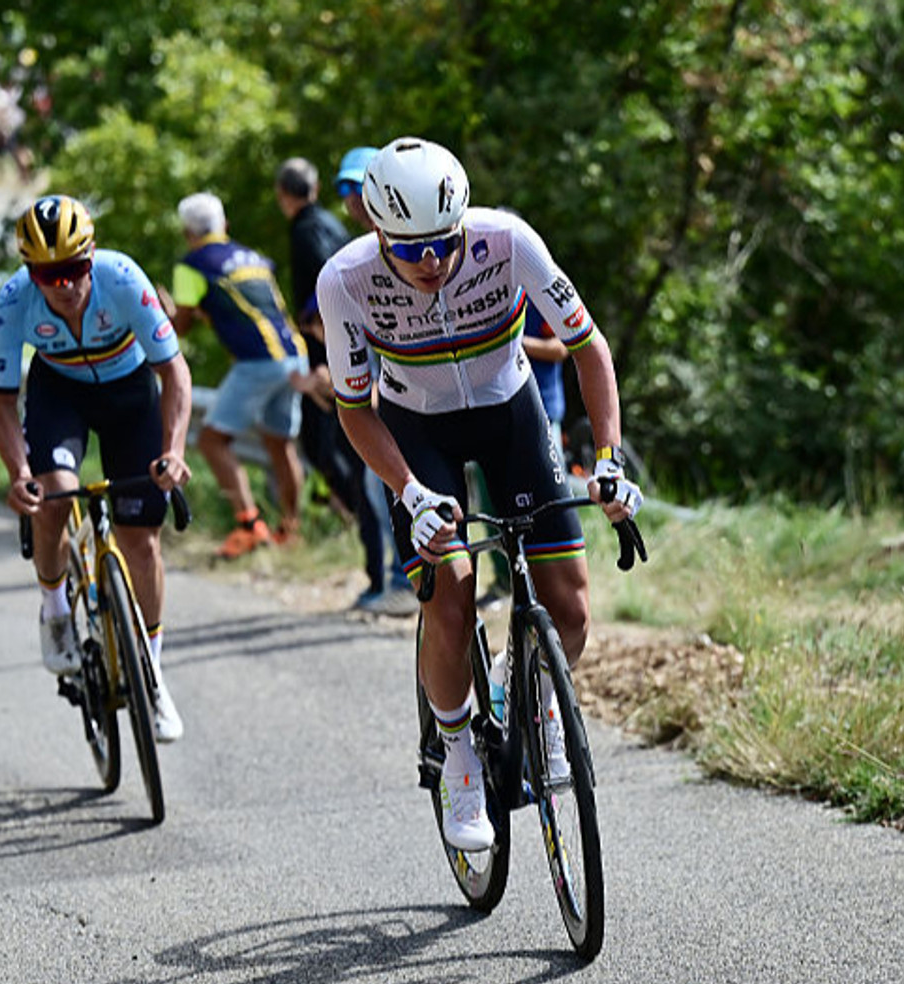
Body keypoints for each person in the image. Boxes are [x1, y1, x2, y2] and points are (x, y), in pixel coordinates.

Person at [315, 137, 645, 851]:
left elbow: (589, 346)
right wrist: (407, 492)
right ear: (377, 234)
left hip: (509, 411)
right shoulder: (343, 281)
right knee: (452, 597)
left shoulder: (508, 241)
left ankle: (522, 687)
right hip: (416, 427)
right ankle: (459, 753)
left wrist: (610, 458)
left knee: (572, 607)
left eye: (443, 243)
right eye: (409, 249)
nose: (430, 262)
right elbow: (353, 406)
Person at [0, 195, 194, 743]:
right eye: (48, 275)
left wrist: (174, 450)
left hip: (131, 394)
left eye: (74, 270)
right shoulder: (12, 303)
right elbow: (3, 402)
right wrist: (16, 473)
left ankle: (150, 674)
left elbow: (174, 374)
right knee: (54, 494)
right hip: (61, 396)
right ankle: (55, 609)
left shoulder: (123, 279)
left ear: (92, 257)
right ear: (31, 273)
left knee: (140, 541)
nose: (65, 286)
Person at [277, 155, 411, 613]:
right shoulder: (348, 239)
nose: (354, 202)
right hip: (364, 384)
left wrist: (326, 356)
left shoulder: (314, 233)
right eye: (347, 192)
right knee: (373, 486)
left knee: (381, 486)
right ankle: (388, 581)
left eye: (360, 191)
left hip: (394, 392)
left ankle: (402, 582)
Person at [158, 191, 307, 558]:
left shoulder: (191, 264)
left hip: (257, 361)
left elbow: (183, 325)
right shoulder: (253, 257)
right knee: (279, 444)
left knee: (211, 441)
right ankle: (290, 530)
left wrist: (165, 310)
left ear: (186, 231)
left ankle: (248, 525)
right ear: (223, 223)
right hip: (295, 355)